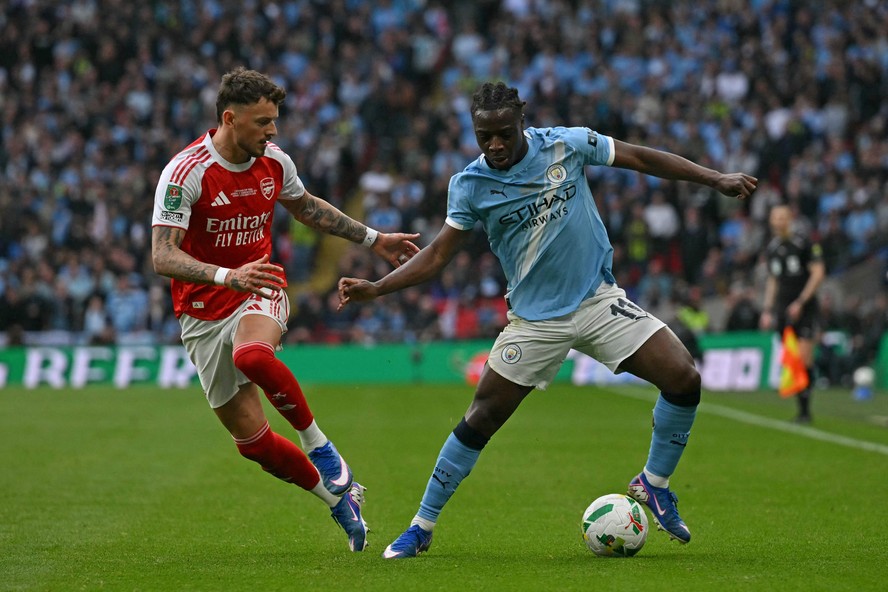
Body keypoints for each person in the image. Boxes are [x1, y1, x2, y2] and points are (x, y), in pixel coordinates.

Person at [337, 81, 758, 558]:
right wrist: (377, 288)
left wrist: (714, 178)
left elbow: (641, 158)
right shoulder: (470, 185)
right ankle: (421, 526)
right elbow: (436, 256)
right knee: (481, 418)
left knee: (683, 378)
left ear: (522, 121)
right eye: (484, 136)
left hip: (598, 302)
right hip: (535, 322)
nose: (494, 144)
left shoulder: (566, 143)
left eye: (503, 133)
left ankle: (653, 484)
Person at [151, 68, 419, 552]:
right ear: (230, 119)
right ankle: (339, 501)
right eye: (262, 122)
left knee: (251, 356)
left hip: (261, 288)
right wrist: (224, 275)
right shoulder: (185, 172)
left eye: (275, 120)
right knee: (253, 445)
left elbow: (309, 207)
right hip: (202, 309)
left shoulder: (274, 161)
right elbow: (162, 256)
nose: (273, 131)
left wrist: (375, 239)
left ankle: (321, 446)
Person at [759, 204, 825, 424]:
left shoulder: (804, 242)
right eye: (774, 218)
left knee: (805, 358)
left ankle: (805, 411)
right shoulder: (772, 247)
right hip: (783, 309)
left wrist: (801, 302)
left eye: (781, 217)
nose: (778, 221)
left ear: (789, 219)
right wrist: (767, 310)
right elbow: (773, 280)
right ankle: (802, 409)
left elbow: (818, 273)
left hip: (805, 308)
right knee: (794, 360)